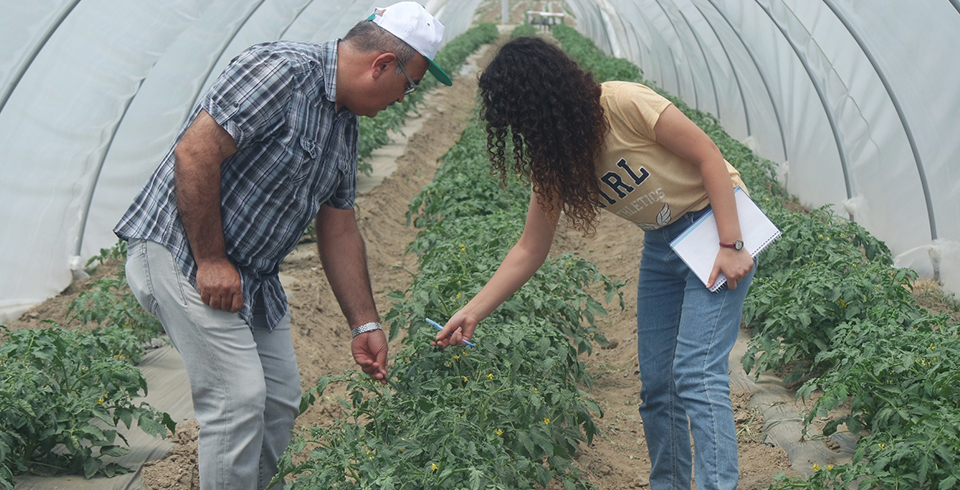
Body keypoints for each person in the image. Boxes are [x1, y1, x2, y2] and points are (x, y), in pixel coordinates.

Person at [114, 3, 452, 489]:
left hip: (252, 275)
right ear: (381, 65)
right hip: (183, 253)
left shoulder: (344, 122)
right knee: (237, 397)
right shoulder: (282, 71)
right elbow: (195, 150)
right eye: (410, 84)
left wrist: (365, 323)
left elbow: (338, 229)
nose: (405, 98)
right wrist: (211, 260)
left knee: (278, 399)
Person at [433, 36, 756, 489]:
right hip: (663, 247)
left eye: (525, 120)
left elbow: (708, 155)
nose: (524, 134)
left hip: (714, 225)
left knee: (696, 373)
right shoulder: (558, 158)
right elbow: (530, 248)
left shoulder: (623, 103)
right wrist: (471, 312)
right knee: (657, 389)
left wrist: (731, 243)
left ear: (548, 100)